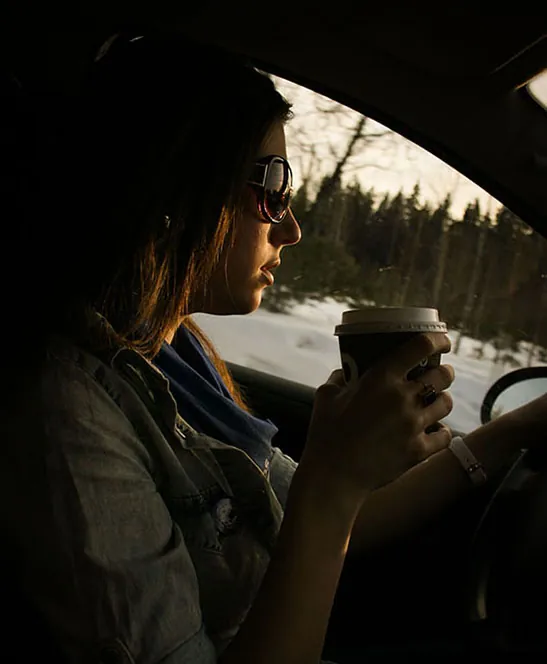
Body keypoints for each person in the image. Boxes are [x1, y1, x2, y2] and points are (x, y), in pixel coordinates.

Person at [1, 32, 545, 664]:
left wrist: (512, 432)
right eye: (272, 187)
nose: (290, 227)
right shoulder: (66, 420)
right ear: (175, 184)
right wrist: (332, 482)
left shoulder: (171, 352)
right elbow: (319, 517)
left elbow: (326, 521)